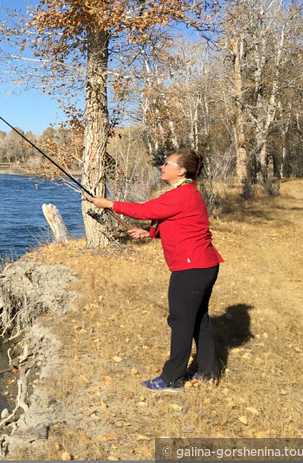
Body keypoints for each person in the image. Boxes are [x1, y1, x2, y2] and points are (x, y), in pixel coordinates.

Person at [88, 148, 223, 393]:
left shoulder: (182, 194)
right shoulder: (186, 193)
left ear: (181, 170)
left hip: (192, 268)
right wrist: (150, 232)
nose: (162, 166)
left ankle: (172, 379)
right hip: (203, 265)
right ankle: (208, 372)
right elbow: (180, 222)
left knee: (181, 322)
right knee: (198, 321)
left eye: (167, 163)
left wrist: (108, 203)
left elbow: (145, 210)